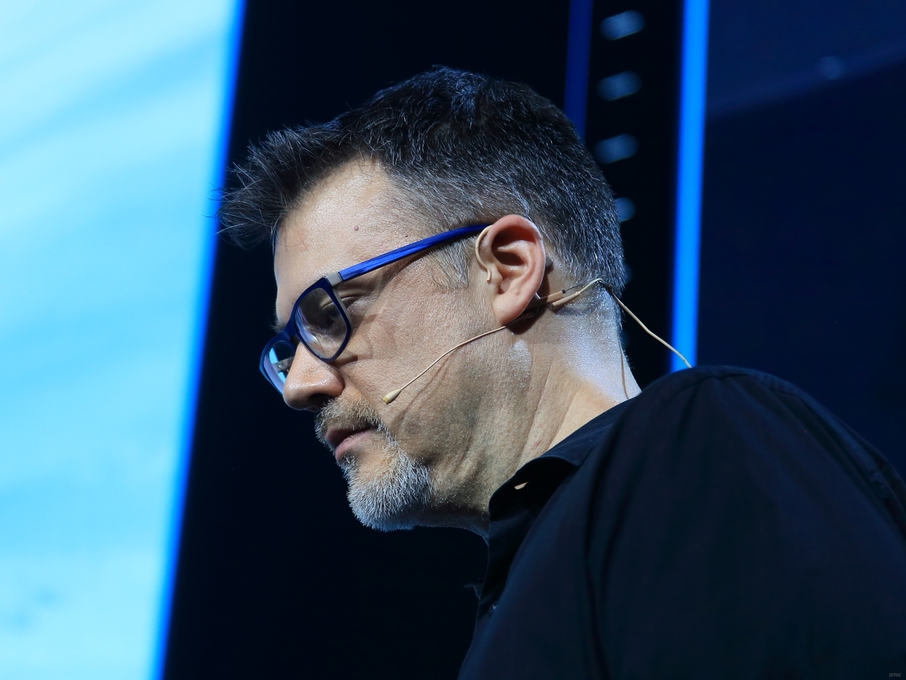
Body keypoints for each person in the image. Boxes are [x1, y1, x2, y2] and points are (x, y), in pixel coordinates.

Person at [220, 67, 906, 678]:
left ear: (508, 269)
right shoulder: (534, 581)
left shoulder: (693, 443)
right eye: (289, 345)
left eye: (330, 315)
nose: (299, 386)